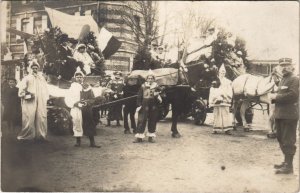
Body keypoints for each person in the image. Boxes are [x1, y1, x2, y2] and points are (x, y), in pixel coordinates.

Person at [269, 58, 299, 174]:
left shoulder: (294, 79)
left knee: (288, 140)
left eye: (287, 65)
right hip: (280, 114)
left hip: (289, 115)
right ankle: (286, 162)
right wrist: (274, 98)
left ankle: (289, 166)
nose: (284, 67)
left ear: (292, 66)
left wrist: (276, 97)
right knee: (280, 138)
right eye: (282, 65)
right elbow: (281, 94)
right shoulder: (283, 80)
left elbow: (293, 95)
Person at [65, 69, 100, 148]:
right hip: (76, 108)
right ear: (75, 78)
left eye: (81, 76)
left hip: (86, 109)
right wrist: (75, 103)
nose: (79, 78)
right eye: (77, 77)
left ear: (83, 77)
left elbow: (92, 98)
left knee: (89, 124)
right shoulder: (72, 87)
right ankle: (78, 141)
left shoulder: (87, 86)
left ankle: (92, 142)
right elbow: (68, 98)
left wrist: (86, 102)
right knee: (77, 123)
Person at [17, 61, 49, 141]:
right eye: (33, 68)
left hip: (40, 100)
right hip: (30, 101)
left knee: (41, 117)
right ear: (30, 69)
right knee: (29, 117)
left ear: (38, 68)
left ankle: (41, 136)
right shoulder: (26, 78)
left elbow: (46, 89)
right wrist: (27, 94)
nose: (35, 70)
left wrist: (45, 98)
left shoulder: (41, 78)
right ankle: (28, 136)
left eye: (36, 68)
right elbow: (21, 90)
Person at [134, 71, 162, 143]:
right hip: (144, 105)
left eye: (151, 78)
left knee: (152, 120)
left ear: (153, 79)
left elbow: (163, 95)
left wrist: (158, 95)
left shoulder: (156, 86)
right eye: (148, 78)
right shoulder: (143, 86)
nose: (150, 80)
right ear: (146, 79)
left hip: (153, 105)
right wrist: (139, 105)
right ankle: (139, 137)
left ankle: (151, 137)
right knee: (141, 120)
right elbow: (139, 96)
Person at [209, 64, 233, 135]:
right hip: (217, 99)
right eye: (221, 72)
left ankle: (227, 129)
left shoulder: (228, 81)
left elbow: (230, 90)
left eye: (224, 72)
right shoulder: (215, 80)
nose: (222, 74)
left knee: (226, 114)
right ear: (219, 72)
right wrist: (216, 96)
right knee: (217, 114)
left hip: (225, 99)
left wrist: (225, 95)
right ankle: (215, 128)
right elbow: (212, 89)